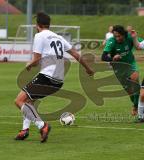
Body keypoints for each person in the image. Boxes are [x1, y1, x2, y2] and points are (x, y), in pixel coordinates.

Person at [14, 12, 94, 142]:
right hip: (58, 81)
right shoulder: (58, 37)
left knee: (19, 101)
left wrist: (29, 64)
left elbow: (37, 59)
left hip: (47, 76)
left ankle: (42, 126)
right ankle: (24, 130)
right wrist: (88, 69)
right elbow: (75, 54)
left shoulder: (39, 36)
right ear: (49, 24)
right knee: (30, 102)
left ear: (37, 25)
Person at [101, 25, 140, 116]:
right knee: (129, 91)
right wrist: (112, 59)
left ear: (124, 34)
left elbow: (142, 43)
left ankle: (138, 107)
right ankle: (136, 106)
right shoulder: (111, 41)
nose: (117, 38)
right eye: (115, 36)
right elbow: (103, 57)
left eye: (119, 36)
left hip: (131, 64)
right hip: (118, 68)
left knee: (135, 83)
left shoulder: (130, 37)